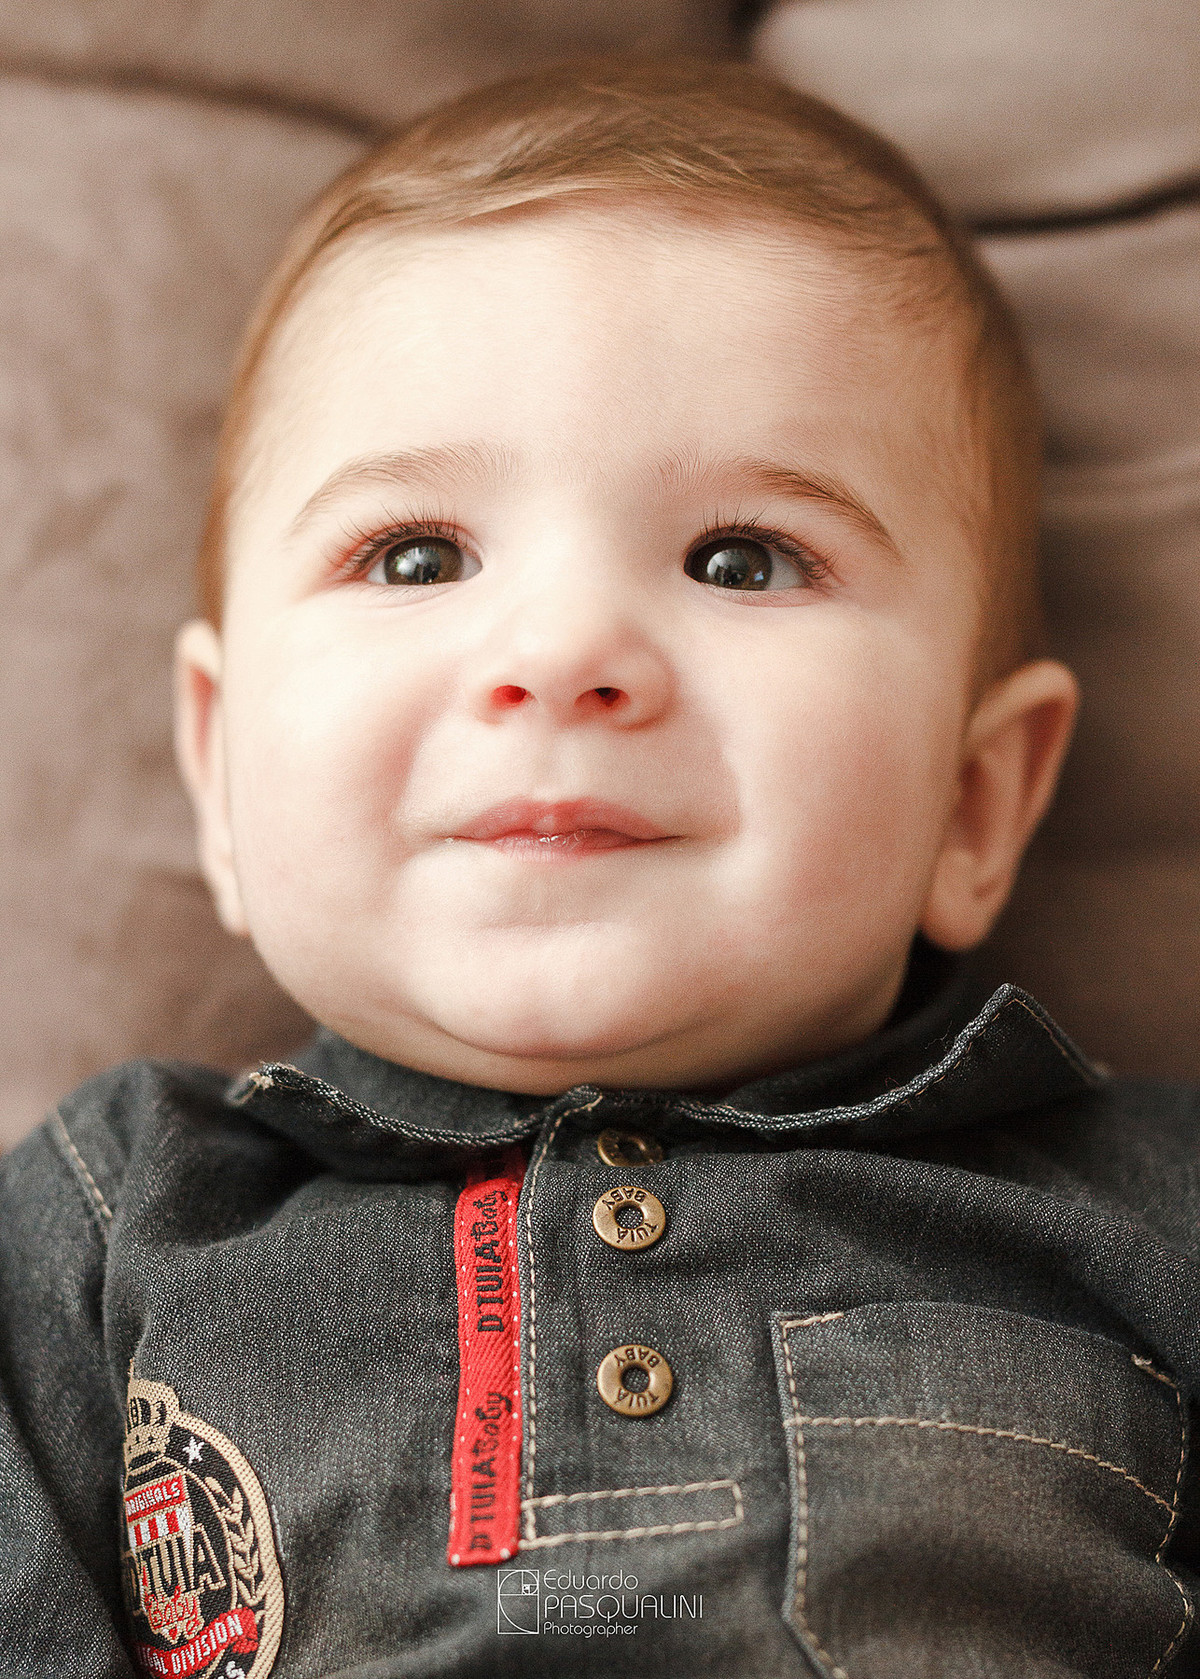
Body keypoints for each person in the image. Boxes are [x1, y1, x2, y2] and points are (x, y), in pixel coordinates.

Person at [1, 54, 1196, 1679]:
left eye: (741, 560)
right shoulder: (108, 1219)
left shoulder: (1149, 1217)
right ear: (219, 773)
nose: (563, 652)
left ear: (974, 805)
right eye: (415, 555)